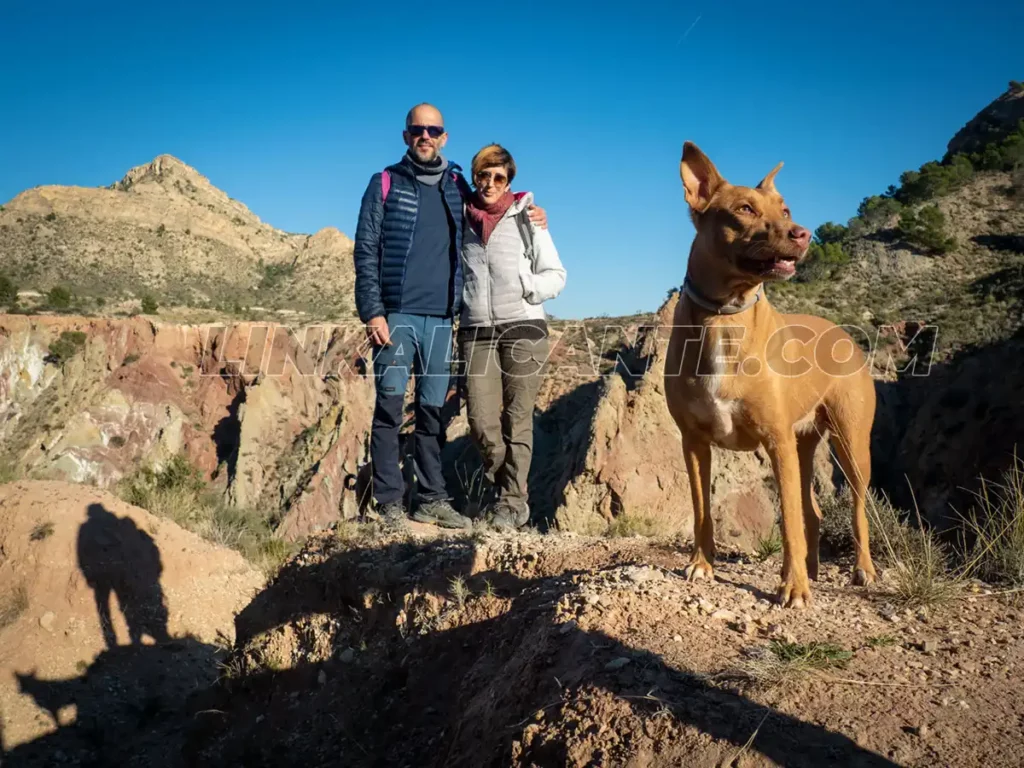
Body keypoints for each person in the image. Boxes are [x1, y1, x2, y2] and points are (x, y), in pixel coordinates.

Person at [353, 104, 547, 530]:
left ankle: (430, 497)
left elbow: (496, 203)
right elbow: (365, 250)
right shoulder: (384, 183)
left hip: (443, 319)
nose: (425, 135)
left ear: (444, 137)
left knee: (430, 413)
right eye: (417, 129)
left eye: (433, 130)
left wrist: (533, 211)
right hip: (396, 316)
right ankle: (388, 502)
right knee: (388, 408)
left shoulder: (456, 186)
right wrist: (373, 311)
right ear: (407, 136)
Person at [459, 144, 566, 530]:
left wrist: (527, 288)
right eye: (483, 176)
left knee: (517, 419)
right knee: (481, 422)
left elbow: (556, 275)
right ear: (475, 177)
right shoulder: (463, 219)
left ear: (509, 181)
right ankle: (506, 490)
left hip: (523, 327)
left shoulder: (528, 219)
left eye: (498, 177)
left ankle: (512, 502)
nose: (489, 184)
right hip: (476, 331)